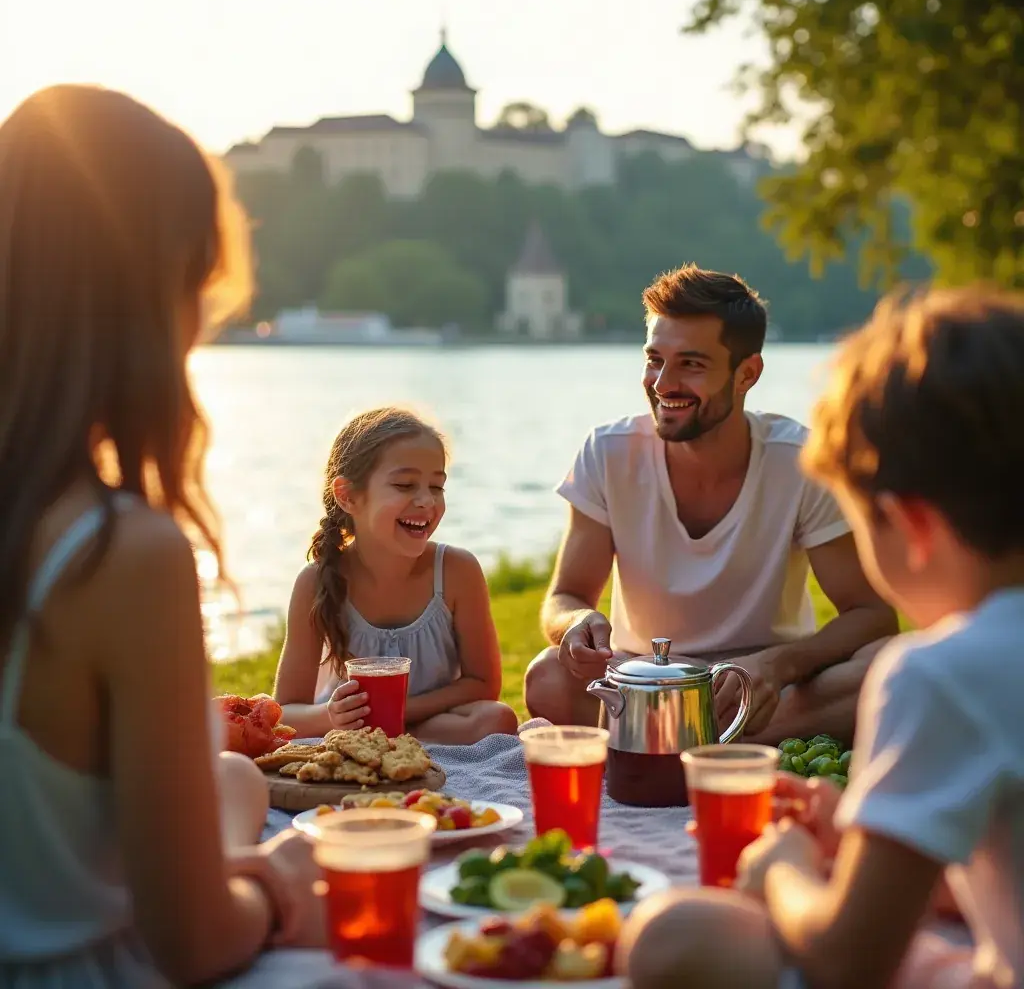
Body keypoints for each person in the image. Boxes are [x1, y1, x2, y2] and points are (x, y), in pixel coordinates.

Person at [0, 84, 378, 988]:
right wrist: (282, 881)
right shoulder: (115, 552)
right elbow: (194, 943)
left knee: (233, 786)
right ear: (148, 296)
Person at [618, 285, 1024, 989]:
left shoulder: (940, 673)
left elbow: (846, 963)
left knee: (674, 935)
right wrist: (873, 844)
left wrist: (786, 872)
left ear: (911, 525)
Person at [525, 264, 898, 744]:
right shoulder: (608, 452)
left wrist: (779, 664)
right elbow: (565, 597)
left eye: (691, 364)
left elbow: (871, 614)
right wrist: (578, 622)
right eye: (655, 359)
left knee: (883, 663)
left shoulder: (801, 462)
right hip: (644, 679)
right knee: (548, 677)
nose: (663, 383)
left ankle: (657, 742)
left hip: (763, 684)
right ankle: (723, 742)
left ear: (747, 374)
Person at [274, 407, 518, 744]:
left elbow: (482, 684)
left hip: (431, 721)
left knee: (497, 717)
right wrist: (331, 715)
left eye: (437, 486)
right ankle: (396, 740)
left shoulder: (458, 571)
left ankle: (402, 738)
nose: (426, 501)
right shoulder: (314, 582)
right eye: (405, 485)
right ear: (347, 496)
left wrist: (399, 713)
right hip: (349, 729)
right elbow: (285, 710)